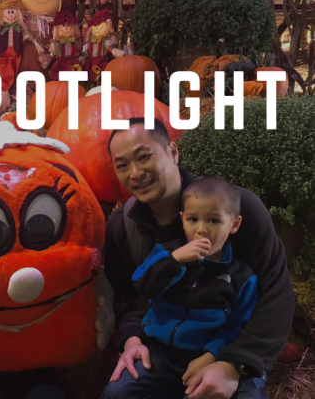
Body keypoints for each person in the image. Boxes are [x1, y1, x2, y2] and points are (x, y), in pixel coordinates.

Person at [103, 117, 293, 399]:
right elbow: (126, 296)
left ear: (173, 152)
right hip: (163, 350)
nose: (135, 172)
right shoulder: (123, 226)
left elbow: (276, 294)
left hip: (227, 347)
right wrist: (131, 338)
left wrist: (233, 364)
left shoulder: (237, 211)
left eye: (144, 156)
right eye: (122, 165)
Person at [103, 176, 259, 398]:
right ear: (182, 219)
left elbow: (238, 325)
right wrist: (173, 261)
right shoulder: (164, 254)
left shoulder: (242, 277)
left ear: (234, 224)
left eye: (214, 221)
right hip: (158, 353)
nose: (201, 230)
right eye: (193, 219)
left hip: (206, 356)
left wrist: (212, 354)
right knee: (116, 393)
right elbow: (142, 285)